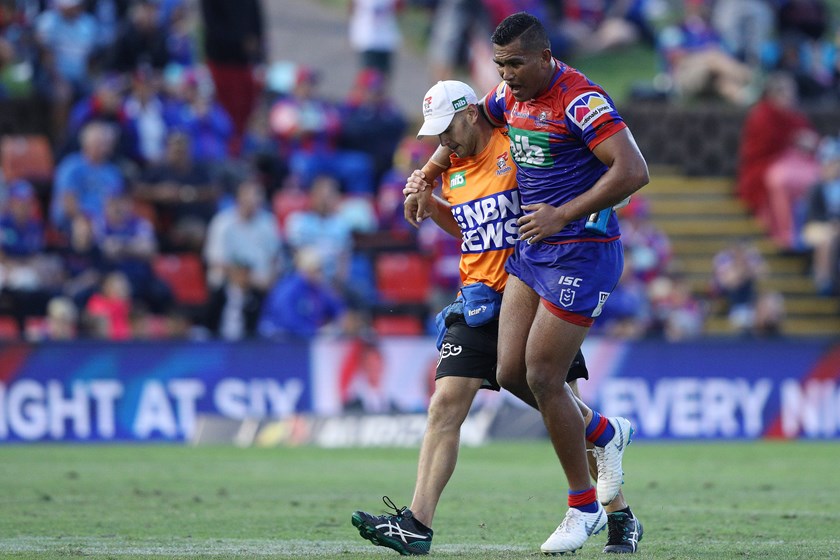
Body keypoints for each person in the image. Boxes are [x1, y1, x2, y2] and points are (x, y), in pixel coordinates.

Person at [351, 80, 642, 556]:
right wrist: (432, 201)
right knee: (444, 405)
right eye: (436, 135)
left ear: (471, 114)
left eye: (448, 129)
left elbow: (574, 178)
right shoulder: (451, 168)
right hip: (480, 295)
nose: (443, 141)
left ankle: (619, 513)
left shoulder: (519, 147)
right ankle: (417, 524)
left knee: (558, 405)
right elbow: (470, 229)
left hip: (534, 290)